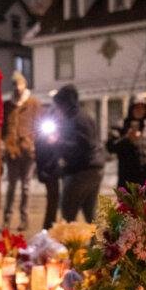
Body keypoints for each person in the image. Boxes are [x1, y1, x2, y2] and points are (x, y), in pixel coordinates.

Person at [52, 85, 105, 223]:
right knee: (89, 210)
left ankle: (69, 243)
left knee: (67, 212)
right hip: (92, 168)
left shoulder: (77, 118)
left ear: (66, 103)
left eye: (59, 104)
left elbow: (83, 145)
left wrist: (57, 141)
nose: (58, 109)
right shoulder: (81, 116)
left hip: (82, 170)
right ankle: (98, 243)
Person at [2, 72, 40, 232]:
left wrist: (33, 143)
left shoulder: (33, 103)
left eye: (20, 85)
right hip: (12, 152)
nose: (18, 88)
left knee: (25, 186)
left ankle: (24, 220)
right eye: (15, 85)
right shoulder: (8, 105)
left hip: (28, 152)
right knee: (11, 186)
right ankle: (6, 219)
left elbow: (39, 125)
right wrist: (7, 144)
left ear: (24, 85)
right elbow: (3, 128)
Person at [106, 98, 146, 189]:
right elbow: (110, 147)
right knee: (128, 202)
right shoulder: (121, 125)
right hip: (128, 177)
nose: (140, 111)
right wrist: (127, 138)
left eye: (142, 108)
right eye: (137, 108)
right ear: (131, 109)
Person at [35, 103, 61, 229]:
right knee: (53, 199)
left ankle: (53, 225)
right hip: (49, 170)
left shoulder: (58, 127)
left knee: (57, 199)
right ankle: (49, 226)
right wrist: (41, 171)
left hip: (59, 168)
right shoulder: (42, 131)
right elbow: (39, 153)